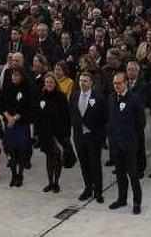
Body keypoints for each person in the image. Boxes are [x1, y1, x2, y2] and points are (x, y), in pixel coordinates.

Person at [107, 71, 144, 215]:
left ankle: (137, 202)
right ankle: (121, 199)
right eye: (115, 83)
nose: (117, 86)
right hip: (115, 144)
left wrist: (132, 137)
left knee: (133, 175)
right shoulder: (110, 98)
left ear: (126, 83)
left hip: (129, 143)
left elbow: (140, 122)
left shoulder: (134, 99)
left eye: (119, 83)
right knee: (120, 175)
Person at [70, 71, 107, 203]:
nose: (82, 83)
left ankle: (98, 191)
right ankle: (88, 188)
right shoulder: (74, 96)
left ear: (91, 83)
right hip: (79, 137)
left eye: (85, 81)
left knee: (95, 164)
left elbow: (104, 118)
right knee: (84, 164)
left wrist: (102, 136)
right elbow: (72, 115)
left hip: (93, 137)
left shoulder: (99, 97)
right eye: (80, 80)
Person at [37, 73, 70, 193]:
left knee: (57, 158)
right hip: (45, 133)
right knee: (49, 158)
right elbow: (38, 115)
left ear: (55, 84)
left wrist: (67, 134)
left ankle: (56, 182)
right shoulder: (42, 95)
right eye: (46, 82)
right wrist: (37, 132)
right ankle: (50, 182)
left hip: (58, 133)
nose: (48, 84)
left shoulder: (61, 96)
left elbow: (66, 117)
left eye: (51, 82)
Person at [2, 68, 33, 187]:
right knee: (11, 151)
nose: (14, 77)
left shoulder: (26, 89)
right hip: (9, 123)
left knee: (20, 151)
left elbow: (27, 107)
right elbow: (2, 104)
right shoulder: (7, 88)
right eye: (12, 76)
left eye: (16, 75)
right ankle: (13, 175)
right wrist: (8, 116)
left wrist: (14, 118)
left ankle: (20, 175)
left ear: (21, 76)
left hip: (21, 123)